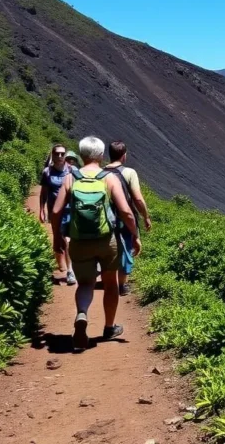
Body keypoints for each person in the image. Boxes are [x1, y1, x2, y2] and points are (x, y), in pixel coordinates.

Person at [51, 136, 141, 351]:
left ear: (81, 155)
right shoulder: (108, 178)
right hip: (106, 241)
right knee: (110, 283)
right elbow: (126, 212)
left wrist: (57, 237)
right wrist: (135, 235)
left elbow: (55, 211)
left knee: (85, 284)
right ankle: (109, 327)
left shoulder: (71, 178)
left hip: (79, 241)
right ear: (101, 156)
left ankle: (82, 313)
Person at [103, 140, 152, 297]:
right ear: (124, 156)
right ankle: (122, 285)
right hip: (124, 218)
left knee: (108, 248)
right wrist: (146, 217)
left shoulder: (100, 173)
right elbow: (137, 199)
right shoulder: (129, 173)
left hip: (105, 218)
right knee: (126, 249)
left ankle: (107, 280)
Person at [39, 143, 77, 286]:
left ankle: (70, 271)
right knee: (58, 237)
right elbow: (43, 193)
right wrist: (42, 210)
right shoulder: (47, 172)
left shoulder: (73, 171)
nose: (60, 156)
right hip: (55, 211)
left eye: (62, 154)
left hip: (71, 210)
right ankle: (62, 263)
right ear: (53, 155)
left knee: (67, 240)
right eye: (57, 154)